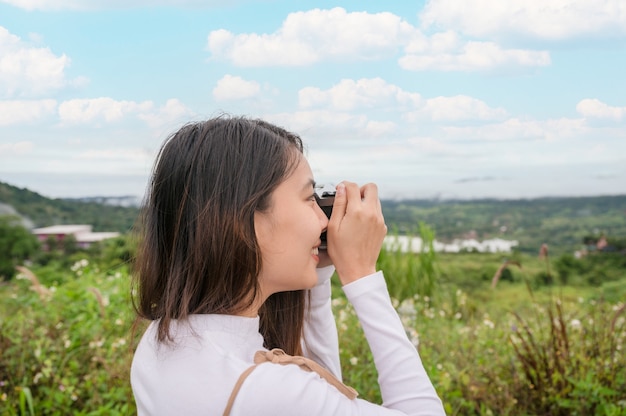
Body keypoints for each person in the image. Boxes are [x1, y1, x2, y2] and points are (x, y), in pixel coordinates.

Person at [130, 116, 445, 415]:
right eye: (309, 198)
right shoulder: (266, 393)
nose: (323, 220)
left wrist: (318, 274)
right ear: (244, 220)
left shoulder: (161, 342)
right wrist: (361, 274)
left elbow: (319, 391)